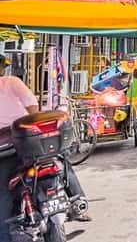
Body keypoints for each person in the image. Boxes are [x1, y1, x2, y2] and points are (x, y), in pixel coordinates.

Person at [0, 55, 90, 240]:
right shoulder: (12, 82)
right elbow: (32, 108)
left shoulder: (11, 81)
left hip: (6, 148)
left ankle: (5, 232)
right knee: (60, 163)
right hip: (29, 139)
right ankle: (79, 202)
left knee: (4, 189)